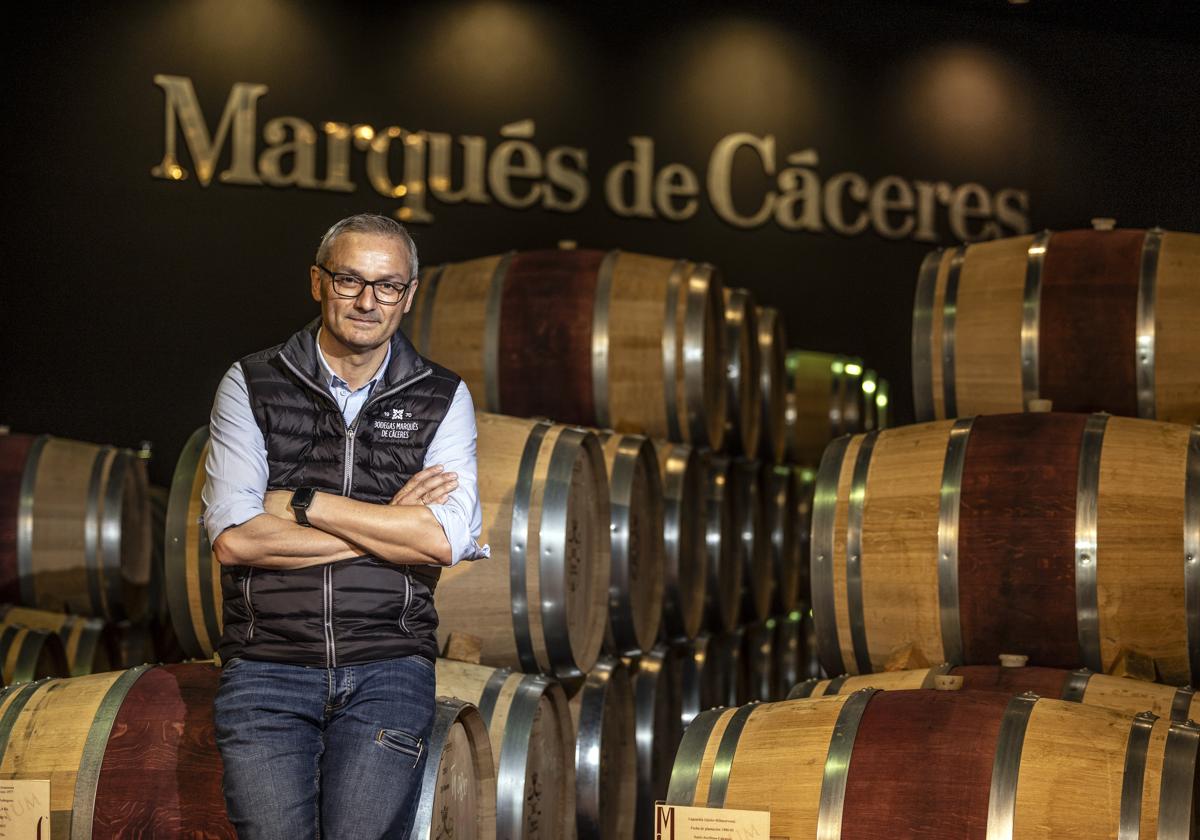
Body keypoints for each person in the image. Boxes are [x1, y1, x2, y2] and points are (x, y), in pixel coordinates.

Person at [202, 212, 488, 839]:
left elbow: (443, 540)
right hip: (266, 669)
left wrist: (305, 502)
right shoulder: (252, 382)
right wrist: (391, 526)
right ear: (317, 281)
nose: (367, 301)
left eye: (388, 285)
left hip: (389, 667)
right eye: (349, 280)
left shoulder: (441, 395)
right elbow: (236, 540)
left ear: (408, 295)